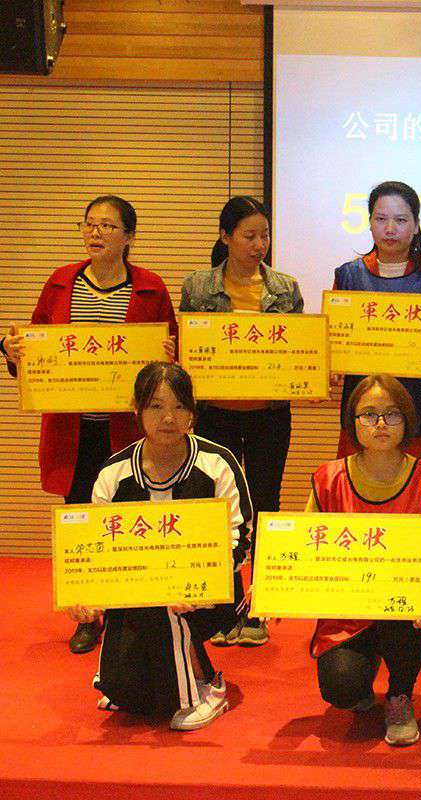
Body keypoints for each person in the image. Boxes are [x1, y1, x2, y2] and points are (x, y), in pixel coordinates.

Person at [3, 195, 178, 654]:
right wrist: (12, 350)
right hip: (74, 428)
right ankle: (88, 614)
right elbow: (34, 345)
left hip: (129, 431)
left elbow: (171, 352)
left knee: (130, 517)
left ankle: (130, 612)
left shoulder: (150, 287)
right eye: (89, 224)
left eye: (107, 226)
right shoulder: (61, 282)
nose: (96, 233)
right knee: (81, 519)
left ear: (129, 236)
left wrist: (169, 354)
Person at [67, 362, 253, 731]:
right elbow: (95, 550)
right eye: (155, 406)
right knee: (125, 691)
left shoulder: (217, 463)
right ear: (136, 409)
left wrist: (200, 584)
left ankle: (207, 688)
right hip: (136, 594)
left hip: (209, 597)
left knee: (166, 606)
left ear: (192, 412)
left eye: (179, 406)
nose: (168, 418)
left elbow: (240, 536)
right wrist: (84, 596)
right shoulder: (113, 473)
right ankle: (159, 673)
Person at [307, 374, 421, 746]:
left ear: (407, 420)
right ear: (352, 421)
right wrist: (273, 587)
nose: (380, 424)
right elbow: (304, 549)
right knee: (342, 689)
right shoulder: (328, 479)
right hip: (346, 612)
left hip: (403, 608)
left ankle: (399, 695)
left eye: (392, 415)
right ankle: (363, 667)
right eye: (368, 414)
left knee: (409, 628)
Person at [180, 195, 303, 647]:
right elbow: (190, 347)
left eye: (264, 235)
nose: (259, 244)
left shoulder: (285, 288)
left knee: (266, 505)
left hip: (270, 415)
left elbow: (298, 347)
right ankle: (225, 604)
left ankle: (260, 606)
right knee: (219, 510)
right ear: (225, 236)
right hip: (217, 416)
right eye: (249, 236)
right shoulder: (198, 286)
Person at [333, 181, 421, 469]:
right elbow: (335, 344)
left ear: (416, 225)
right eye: (381, 219)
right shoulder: (348, 277)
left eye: (401, 220)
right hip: (363, 410)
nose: (390, 228)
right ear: (370, 223)